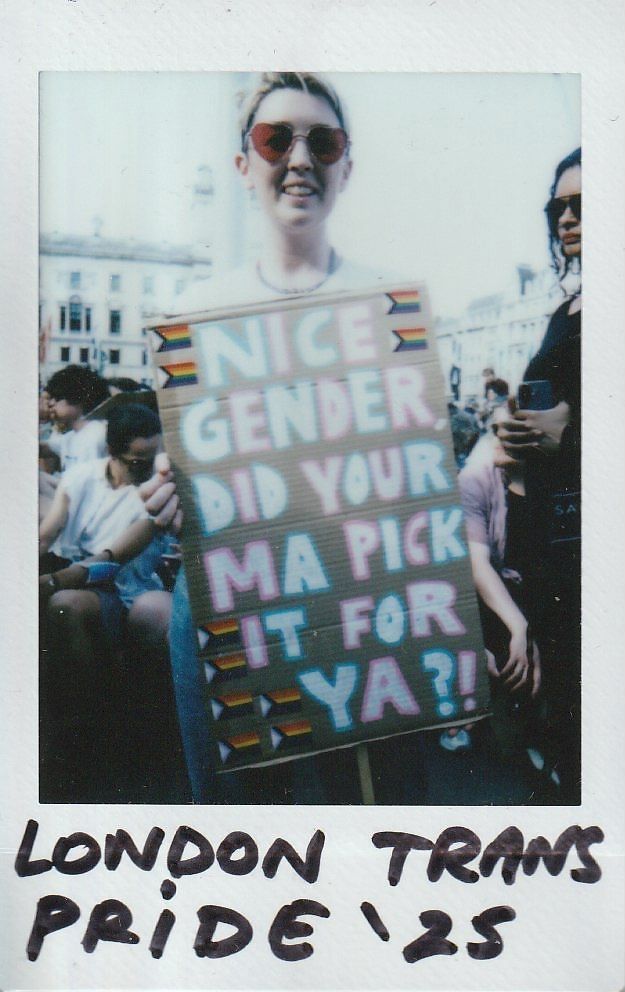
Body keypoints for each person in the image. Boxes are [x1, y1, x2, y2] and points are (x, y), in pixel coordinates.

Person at [142, 71, 448, 804]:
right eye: (275, 138)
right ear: (244, 163)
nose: (301, 158)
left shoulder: (389, 304)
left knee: (376, 821)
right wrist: (171, 488)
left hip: (363, 599)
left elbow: (418, 468)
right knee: (235, 824)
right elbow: (186, 460)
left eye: (323, 140)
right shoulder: (195, 311)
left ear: (347, 162)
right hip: (225, 592)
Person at [497, 147, 581, 801]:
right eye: (558, 207)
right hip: (555, 545)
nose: (568, 218)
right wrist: (512, 426)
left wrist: (571, 431)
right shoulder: (565, 313)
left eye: (584, 205)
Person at [45, 365, 110, 471]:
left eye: (58, 398)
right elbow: (41, 448)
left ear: (78, 398)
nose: (51, 403)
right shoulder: (74, 435)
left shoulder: (93, 435)